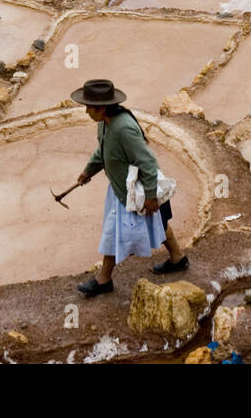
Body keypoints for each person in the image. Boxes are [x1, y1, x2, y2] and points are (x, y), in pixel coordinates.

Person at [71, 79, 188, 297]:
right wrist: (89, 171)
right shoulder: (104, 123)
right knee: (159, 222)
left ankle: (103, 280)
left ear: (102, 108)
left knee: (113, 231)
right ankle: (178, 258)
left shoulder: (123, 128)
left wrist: (152, 198)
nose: (86, 111)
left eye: (89, 107)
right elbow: (103, 151)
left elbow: (148, 163)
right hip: (123, 188)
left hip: (139, 190)